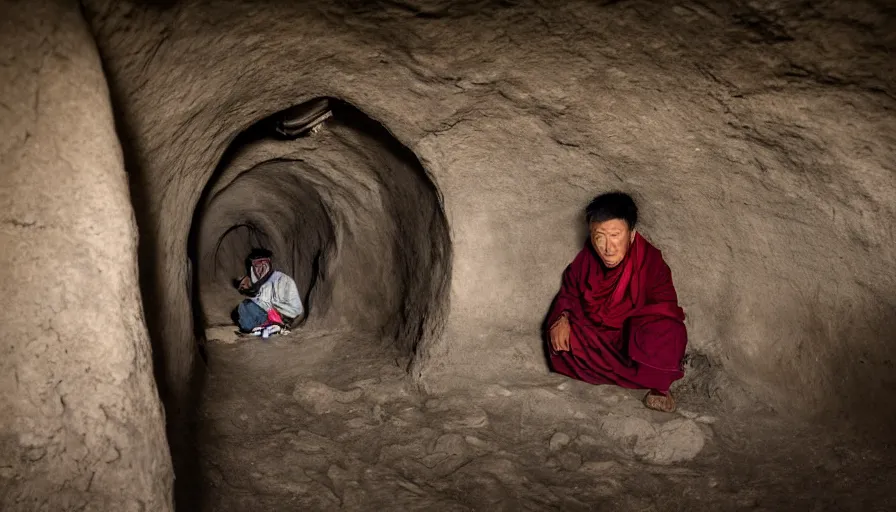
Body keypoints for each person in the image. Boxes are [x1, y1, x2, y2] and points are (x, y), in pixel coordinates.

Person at [546, 192, 687, 412]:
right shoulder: (587, 258)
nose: (607, 248)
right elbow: (569, 292)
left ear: (631, 235)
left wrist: (639, 324)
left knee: (669, 330)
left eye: (615, 235)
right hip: (596, 337)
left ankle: (656, 384)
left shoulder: (652, 264)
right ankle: (635, 378)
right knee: (558, 336)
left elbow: (665, 311)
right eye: (599, 236)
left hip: (631, 341)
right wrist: (562, 317)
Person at [232, 248, 304, 336]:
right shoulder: (260, 284)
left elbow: (296, 309)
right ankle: (262, 329)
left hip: (281, 317)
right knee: (243, 306)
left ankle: (277, 326)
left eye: (263, 264)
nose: (260, 269)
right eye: (256, 266)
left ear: (268, 263)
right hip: (265, 316)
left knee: (248, 306)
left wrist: (275, 309)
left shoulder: (282, 280)